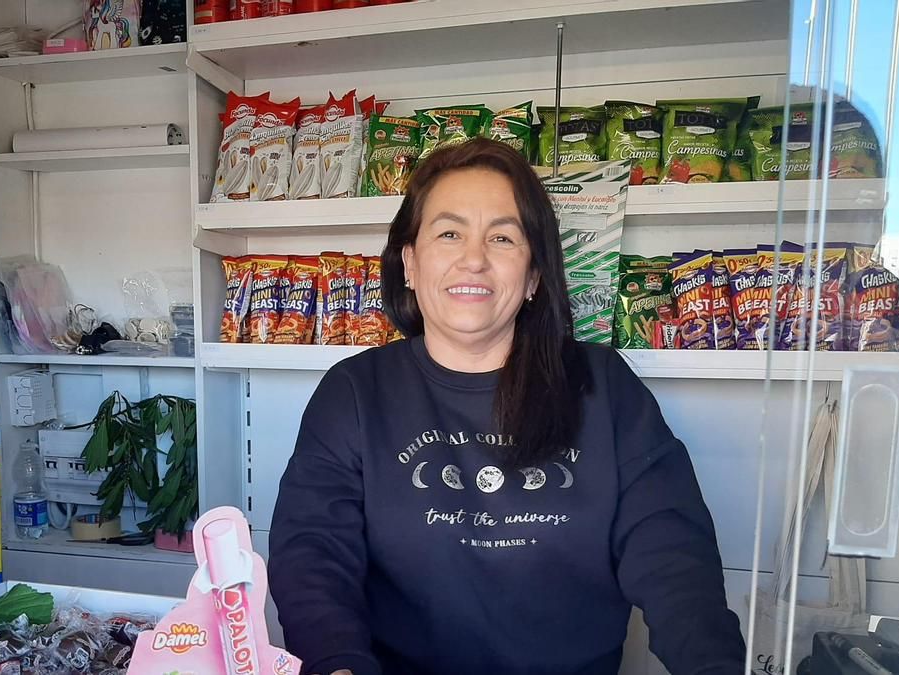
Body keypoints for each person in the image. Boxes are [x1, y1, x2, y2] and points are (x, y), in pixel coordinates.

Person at [268, 138, 745, 675]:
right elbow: (313, 555)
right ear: (409, 261)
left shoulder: (604, 386)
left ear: (535, 274)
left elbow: (674, 556)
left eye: (502, 237)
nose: (474, 258)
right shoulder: (354, 393)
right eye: (449, 233)